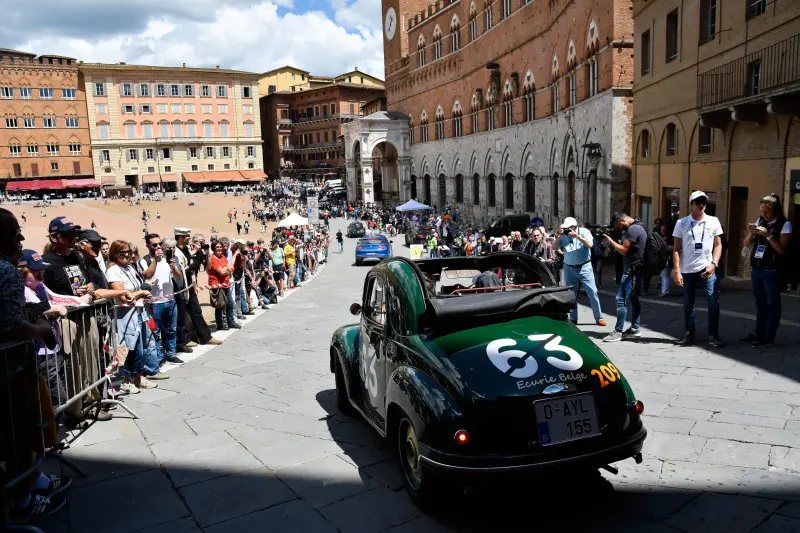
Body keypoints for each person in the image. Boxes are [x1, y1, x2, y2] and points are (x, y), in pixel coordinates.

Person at [105, 239, 164, 394]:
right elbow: (124, 296)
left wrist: (142, 291)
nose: (127, 255)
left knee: (142, 347)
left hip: (139, 312)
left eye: (129, 252)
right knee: (133, 349)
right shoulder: (113, 271)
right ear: (114, 254)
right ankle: (126, 380)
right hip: (127, 315)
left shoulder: (130, 268)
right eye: (122, 252)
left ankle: (138, 377)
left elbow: (137, 288)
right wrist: (142, 292)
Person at [672, 191, 724, 348]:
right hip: (688, 270)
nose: (702, 205)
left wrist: (714, 264)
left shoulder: (713, 221)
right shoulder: (681, 223)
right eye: (698, 202)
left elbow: (718, 245)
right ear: (691, 205)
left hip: (707, 268)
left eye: (704, 202)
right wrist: (677, 270)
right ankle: (689, 334)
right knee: (688, 303)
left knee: (713, 302)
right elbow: (676, 249)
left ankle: (713, 335)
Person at [741, 194, 792, 347]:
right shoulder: (760, 220)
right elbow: (745, 243)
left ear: (775, 210)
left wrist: (768, 235)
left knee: (772, 303)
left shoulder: (785, 224)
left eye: (766, 212)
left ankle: (769, 335)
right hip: (758, 267)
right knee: (759, 301)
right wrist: (752, 232)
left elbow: (781, 249)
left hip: (772, 269)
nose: (763, 215)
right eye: (762, 211)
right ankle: (758, 332)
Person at [552, 217, 606, 326]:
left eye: (569, 228)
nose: (567, 230)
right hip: (569, 267)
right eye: (566, 228)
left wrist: (577, 236)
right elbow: (554, 247)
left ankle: (599, 317)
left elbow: (589, 245)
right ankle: (573, 318)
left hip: (584, 266)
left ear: (574, 227)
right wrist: (559, 236)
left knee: (592, 292)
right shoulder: (564, 235)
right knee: (571, 294)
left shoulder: (584, 232)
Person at [139, 233, 184, 365]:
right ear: (148, 246)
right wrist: (155, 260)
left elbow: (178, 276)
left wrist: (173, 267)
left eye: (159, 244)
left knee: (171, 329)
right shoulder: (145, 260)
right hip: (155, 303)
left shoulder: (168, 259)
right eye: (155, 245)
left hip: (170, 300)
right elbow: (147, 274)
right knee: (156, 331)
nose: (158, 247)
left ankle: (171, 353)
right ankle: (158, 357)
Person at [602, 213, 647, 342]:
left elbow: (623, 250)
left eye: (618, 225)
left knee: (620, 299)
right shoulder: (639, 226)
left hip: (632, 270)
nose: (619, 228)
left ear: (622, 220)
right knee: (633, 298)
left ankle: (618, 331)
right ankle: (634, 328)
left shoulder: (633, 229)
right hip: (636, 269)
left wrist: (611, 242)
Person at [176, 230, 222, 346]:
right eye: (197, 241)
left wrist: (206, 254)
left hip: (191, 286)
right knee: (182, 315)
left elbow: (208, 267)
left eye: (202, 242)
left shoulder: (198, 252)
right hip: (181, 287)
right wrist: (194, 253)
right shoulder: (182, 251)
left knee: (196, 311)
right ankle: (185, 339)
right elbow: (186, 267)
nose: (199, 244)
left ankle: (205, 337)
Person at [208, 241, 239, 330]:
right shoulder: (213, 259)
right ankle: (220, 324)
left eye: (220, 247)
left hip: (225, 284)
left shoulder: (223, 257)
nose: (219, 249)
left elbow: (232, 268)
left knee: (229, 304)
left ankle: (230, 322)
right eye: (217, 247)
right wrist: (226, 269)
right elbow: (221, 272)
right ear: (213, 248)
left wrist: (226, 269)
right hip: (217, 285)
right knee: (220, 306)